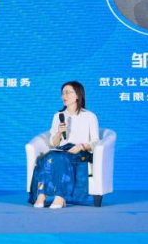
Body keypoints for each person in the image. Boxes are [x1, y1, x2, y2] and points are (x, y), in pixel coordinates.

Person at [29, 81, 99, 209]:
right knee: (48, 158)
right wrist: (59, 133)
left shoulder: (89, 116)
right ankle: (41, 195)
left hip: (80, 152)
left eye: (67, 93)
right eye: (62, 93)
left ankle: (60, 197)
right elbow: (52, 143)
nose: (64, 96)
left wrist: (81, 146)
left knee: (59, 158)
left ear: (78, 95)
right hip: (61, 150)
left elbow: (95, 142)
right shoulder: (58, 116)